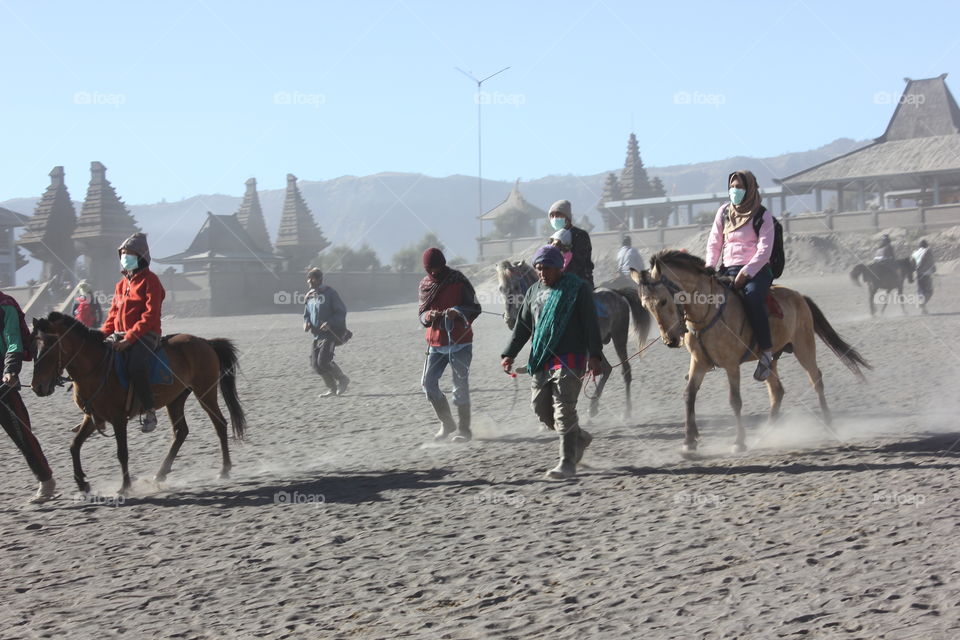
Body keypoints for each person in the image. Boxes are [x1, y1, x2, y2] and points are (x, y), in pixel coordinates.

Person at [501, 245, 603, 479]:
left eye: (547, 268)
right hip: (541, 358)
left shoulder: (578, 289)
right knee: (541, 410)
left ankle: (567, 462)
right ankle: (580, 437)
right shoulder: (533, 291)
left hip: (571, 357)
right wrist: (509, 353)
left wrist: (595, 355)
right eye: (538, 268)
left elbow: (590, 324)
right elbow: (523, 327)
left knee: (563, 410)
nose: (542, 273)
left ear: (559, 268)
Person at [705, 170, 776, 382]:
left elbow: (764, 251)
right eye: (732, 187)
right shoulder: (724, 212)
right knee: (704, 299)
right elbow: (714, 242)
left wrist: (747, 273)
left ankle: (766, 353)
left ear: (750, 189)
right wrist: (710, 267)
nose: (734, 191)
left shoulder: (763, 216)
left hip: (756, 270)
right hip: (727, 268)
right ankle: (706, 352)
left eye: (739, 187)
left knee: (753, 298)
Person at [101, 232, 166, 433]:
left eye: (129, 254)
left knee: (136, 365)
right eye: (122, 254)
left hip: (145, 334)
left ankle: (148, 409)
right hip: (119, 334)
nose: (124, 258)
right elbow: (112, 317)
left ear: (140, 257)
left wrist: (129, 339)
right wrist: (98, 336)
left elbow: (150, 315)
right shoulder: (121, 285)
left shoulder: (150, 281)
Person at [418, 248, 481, 443]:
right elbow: (421, 314)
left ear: (444, 264)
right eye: (431, 269)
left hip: (460, 342)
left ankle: (464, 430)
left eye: (438, 268)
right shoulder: (425, 284)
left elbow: (475, 307)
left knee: (460, 386)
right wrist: (430, 316)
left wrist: (457, 310)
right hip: (435, 344)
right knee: (428, 384)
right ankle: (447, 423)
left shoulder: (458, 280)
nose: (435, 272)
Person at [0, 289, 56, 503]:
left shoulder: (5, 305)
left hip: (4, 378)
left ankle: (46, 480)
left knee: (21, 433)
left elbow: (12, 339)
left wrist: (10, 370)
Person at [303, 268, 350, 397]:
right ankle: (332, 388)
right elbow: (306, 314)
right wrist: (306, 322)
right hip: (317, 335)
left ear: (319, 279)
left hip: (330, 333)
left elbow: (341, 311)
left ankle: (342, 379)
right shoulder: (309, 296)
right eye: (308, 278)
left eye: (312, 278)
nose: (309, 281)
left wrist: (329, 322)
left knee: (323, 361)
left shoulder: (330, 293)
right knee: (315, 365)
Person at [548, 200, 594, 289]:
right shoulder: (552, 239)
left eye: (558, 215)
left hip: (581, 280)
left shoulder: (580, 235)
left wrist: (563, 248)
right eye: (552, 216)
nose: (554, 218)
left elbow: (578, 262)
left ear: (567, 217)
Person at [912, 239, 936, 314]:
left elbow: (912, 264)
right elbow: (931, 262)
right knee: (930, 291)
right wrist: (934, 269)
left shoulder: (915, 253)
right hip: (926, 274)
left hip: (918, 275)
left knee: (921, 291)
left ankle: (923, 308)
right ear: (926, 245)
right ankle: (922, 304)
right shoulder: (927, 251)